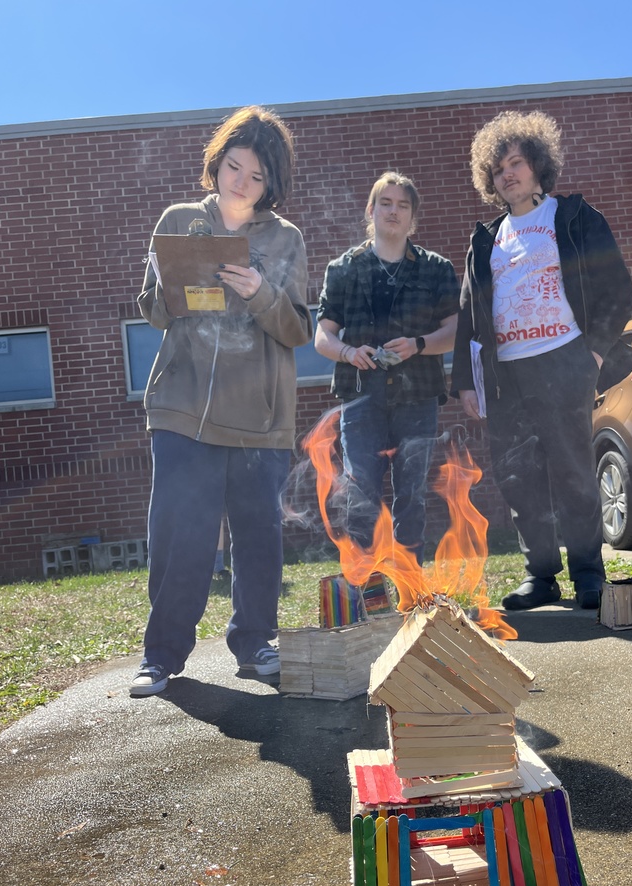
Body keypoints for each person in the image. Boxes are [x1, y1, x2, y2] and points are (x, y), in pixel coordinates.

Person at [130, 106, 311, 696]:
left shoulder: (286, 240)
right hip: (181, 408)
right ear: (218, 164)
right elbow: (154, 312)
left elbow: (297, 330)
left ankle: (255, 641)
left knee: (259, 533)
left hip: (259, 417)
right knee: (180, 530)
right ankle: (162, 654)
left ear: (270, 184)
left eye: (256, 176)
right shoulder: (180, 219)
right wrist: (164, 283)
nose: (240, 182)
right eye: (234, 166)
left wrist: (260, 292)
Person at [451, 110, 632, 611]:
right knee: (519, 476)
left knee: (573, 470)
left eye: (516, 163)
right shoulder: (484, 240)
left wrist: (593, 353)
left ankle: (587, 573)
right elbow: (469, 316)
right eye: (497, 169)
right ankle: (541, 576)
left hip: (564, 362)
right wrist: (467, 383)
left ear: (537, 167)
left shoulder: (572, 217)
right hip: (507, 373)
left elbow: (616, 289)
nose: (507, 174)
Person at [315, 172, 459, 564]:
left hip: (418, 396)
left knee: (411, 494)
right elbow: (321, 336)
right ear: (371, 210)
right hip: (361, 397)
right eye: (386, 203)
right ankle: (367, 587)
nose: (393, 212)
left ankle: (410, 586)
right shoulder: (343, 269)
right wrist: (347, 352)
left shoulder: (436, 268)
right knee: (362, 493)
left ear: (412, 217)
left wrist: (419, 345)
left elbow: (456, 330)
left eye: (403, 205)